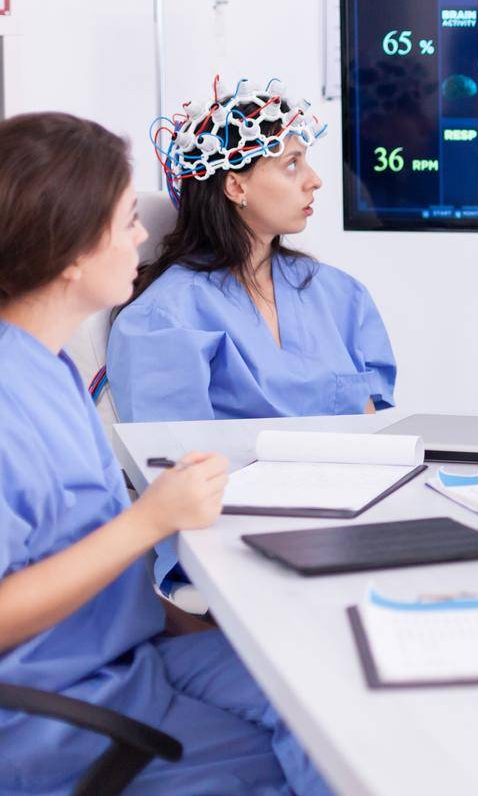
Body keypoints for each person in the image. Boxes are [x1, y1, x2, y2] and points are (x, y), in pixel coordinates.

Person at [0, 111, 332, 794]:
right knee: (326, 755)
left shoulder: (49, 364)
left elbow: (88, 552)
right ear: (69, 253)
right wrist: (151, 520)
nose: (144, 236)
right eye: (127, 221)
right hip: (61, 716)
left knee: (329, 687)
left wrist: (216, 621)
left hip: (134, 659)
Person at [108, 78, 396, 423]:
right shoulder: (163, 320)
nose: (315, 179)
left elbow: (376, 426)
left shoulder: (340, 296)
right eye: (292, 164)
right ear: (235, 185)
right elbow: (175, 463)